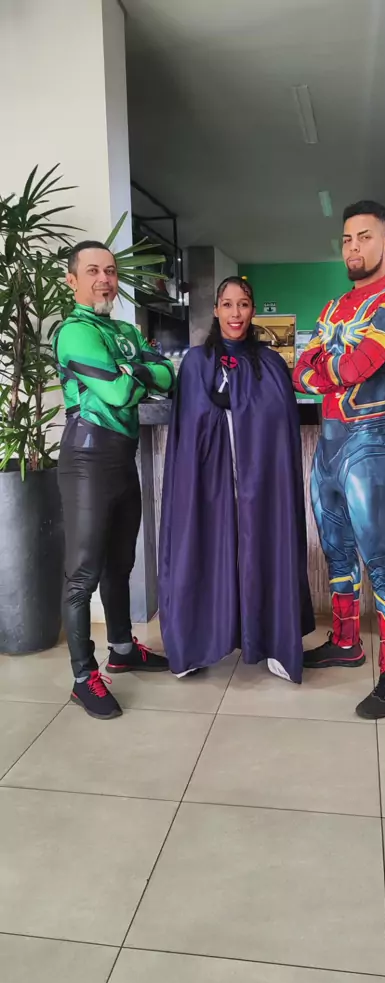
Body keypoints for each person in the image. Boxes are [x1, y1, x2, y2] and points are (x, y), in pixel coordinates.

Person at [293, 201, 385, 719]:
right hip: (328, 445)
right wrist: (327, 368)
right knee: (336, 552)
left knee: (380, 559)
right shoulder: (334, 307)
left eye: (365, 237)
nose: (354, 247)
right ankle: (346, 641)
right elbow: (299, 369)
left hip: (372, 442)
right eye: (347, 238)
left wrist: (324, 368)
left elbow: (355, 365)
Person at [158, 276, 314, 683]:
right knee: (205, 548)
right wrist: (227, 410)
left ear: (253, 310)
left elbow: (278, 426)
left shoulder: (271, 364)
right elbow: (189, 426)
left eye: (243, 304)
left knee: (264, 547)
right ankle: (196, 642)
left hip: (261, 483)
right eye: (227, 304)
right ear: (216, 310)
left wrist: (240, 411)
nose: (235, 313)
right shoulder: (196, 363)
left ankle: (274, 641)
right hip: (208, 482)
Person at [54, 241, 175, 720]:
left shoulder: (125, 330)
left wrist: (134, 369)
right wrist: (138, 372)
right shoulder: (74, 332)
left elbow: (169, 376)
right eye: (92, 271)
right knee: (83, 573)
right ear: (73, 280)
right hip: (86, 460)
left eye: (109, 271)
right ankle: (83, 678)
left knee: (120, 564)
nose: (104, 279)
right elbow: (121, 391)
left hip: (123, 458)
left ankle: (123, 649)